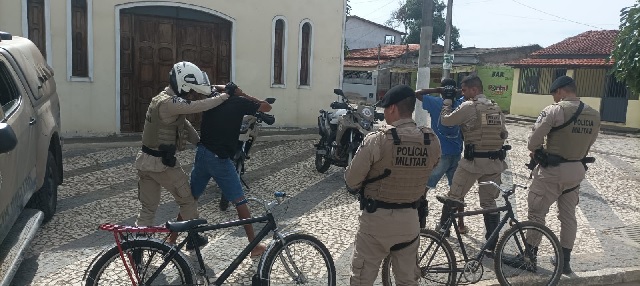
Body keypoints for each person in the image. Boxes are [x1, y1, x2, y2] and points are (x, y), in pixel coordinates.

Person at [345, 84, 442, 285]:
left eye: (385, 109)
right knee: (408, 280)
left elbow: (351, 180)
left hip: (376, 223)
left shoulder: (378, 140)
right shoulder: (430, 140)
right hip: (410, 221)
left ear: (392, 109)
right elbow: (431, 167)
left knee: (362, 279)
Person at [504, 76, 600, 274]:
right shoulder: (594, 114)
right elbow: (589, 144)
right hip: (576, 172)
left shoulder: (554, 110)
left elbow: (533, 142)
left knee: (536, 213)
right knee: (568, 217)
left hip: (552, 172)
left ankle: (529, 257)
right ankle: (564, 263)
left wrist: (538, 151)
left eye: (555, 94)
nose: (555, 99)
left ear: (561, 91)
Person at [135, 61, 229, 249]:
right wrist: (226, 96)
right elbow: (199, 106)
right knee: (187, 199)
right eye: (190, 90)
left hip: (145, 162)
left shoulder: (160, 98)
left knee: (148, 209)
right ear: (182, 84)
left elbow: (183, 125)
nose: (190, 94)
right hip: (163, 164)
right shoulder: (171, 103)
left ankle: (137, 248)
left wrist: (199, 142)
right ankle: (194, 238)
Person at [190, 81, 272, 258]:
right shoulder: (239, 102)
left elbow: (212, 86)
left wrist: (223, 89)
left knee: (190, 199)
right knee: (240, 200)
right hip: (219, 159)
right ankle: (254, 246)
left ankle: (172, 243)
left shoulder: (212, 99)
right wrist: (243, 94)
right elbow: (267, 107)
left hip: (202, 153)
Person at [439, 74, 509, 255]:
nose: (462, 94)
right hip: (494, 163)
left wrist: (447, 102)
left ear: (474, 90)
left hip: (473, 162)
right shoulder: (495, 107)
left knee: (454, 195)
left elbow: (446, 121)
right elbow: (504, 133)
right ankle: (492, 243)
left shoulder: (470, 106)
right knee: (489, 202)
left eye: (464, 90)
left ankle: (442, 232)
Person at [415, 78, 467, 234]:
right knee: (457, 190)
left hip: (439, 153)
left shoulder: (435, 103)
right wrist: (456, 91)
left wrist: (438, 90)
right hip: (457, 153)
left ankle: (418, 217)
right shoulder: (461, 104)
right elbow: (469, 95)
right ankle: (461, 224)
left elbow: (417, 93)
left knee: (425, 187)